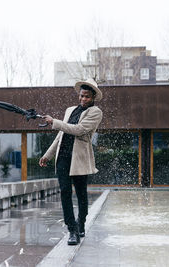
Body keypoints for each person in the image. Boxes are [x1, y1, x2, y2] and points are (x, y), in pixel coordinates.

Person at [39, 78, 103, 246]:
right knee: (65, 192)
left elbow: (79, 130)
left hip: (79, 159)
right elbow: (61, 134)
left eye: (87, 97)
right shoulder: (69, 110)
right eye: (81, 96)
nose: (83, 99)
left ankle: (81, 222)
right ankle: (72, 230)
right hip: (63, 158)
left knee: (81, 194)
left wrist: (54, 122)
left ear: (93, 97)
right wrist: (48, 155)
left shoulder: (95, 112)